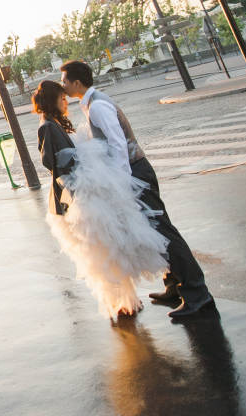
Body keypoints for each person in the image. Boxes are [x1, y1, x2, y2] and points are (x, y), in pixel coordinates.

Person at [59, 60, 216, 319]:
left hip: (135, 172)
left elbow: (118, 145)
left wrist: (122, 182)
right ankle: (174, 286)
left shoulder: (97, 106)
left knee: (164, 232)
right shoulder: (92, 103)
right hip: (134, 172)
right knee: (154, 230)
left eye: (64, 81)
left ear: (77, 82)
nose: (62, 85)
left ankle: (198, 294)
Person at [33, 80, 168, 320]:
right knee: (101, 251)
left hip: (83, 190)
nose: (65, 102)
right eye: (62, 98)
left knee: (109, 248)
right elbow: (51, 161)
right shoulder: (47, 126)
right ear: (52, 100)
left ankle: (125, 300)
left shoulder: (52, 123)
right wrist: (82, 161)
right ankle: (119, 301)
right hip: (78, 194)